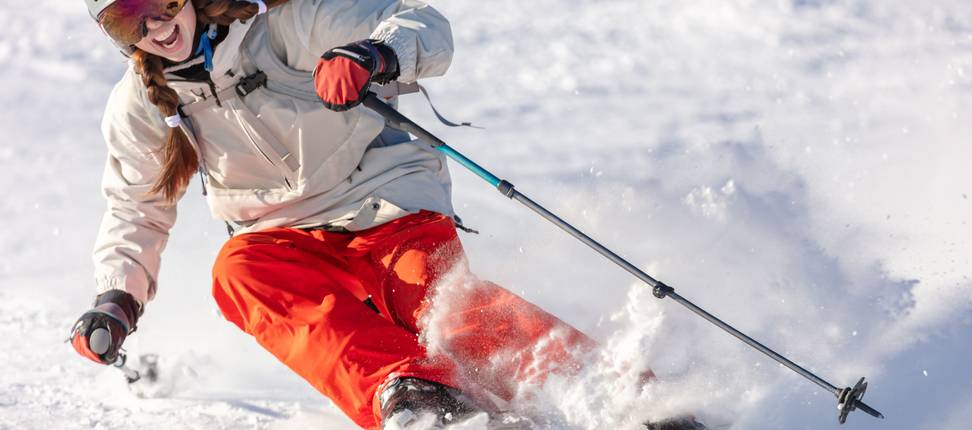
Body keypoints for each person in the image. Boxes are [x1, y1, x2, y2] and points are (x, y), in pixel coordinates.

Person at [68, 1, 705, 429]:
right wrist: (117, 297)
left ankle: (625, 396)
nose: (155, 26)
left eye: (162, 2)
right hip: (279, 235)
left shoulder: (281, 30)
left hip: (385, 199)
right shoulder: (140, 106)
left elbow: (419, 21)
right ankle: (415, 394)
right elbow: (135, 206)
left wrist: (373, 55)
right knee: (237, 273)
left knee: (433, 301)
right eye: (127, 20)